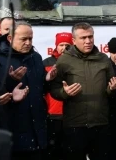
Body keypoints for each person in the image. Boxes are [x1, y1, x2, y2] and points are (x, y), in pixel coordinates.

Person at [50, 22, 116, 160]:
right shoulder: (64, 60)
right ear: (73, 40)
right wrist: (64, 93)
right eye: (83, 38)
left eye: (90, 37)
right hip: (74, 125)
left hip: (101, 123)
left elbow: (109, 89)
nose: (88, 41)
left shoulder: (103, 59)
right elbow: (54, 89)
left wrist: (112, 88)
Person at [0, 21, 56, 160]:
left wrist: (47, 79)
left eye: (30, 39)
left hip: (37, 132)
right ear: (10, 38)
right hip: (12, 133)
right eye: (23, 39)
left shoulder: (35, 57)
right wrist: (11, 82)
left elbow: (40, 89)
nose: (28, 43)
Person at [43, 32, 73, 160]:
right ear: (56, 46)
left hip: (72, 113)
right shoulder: (46, 62)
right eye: (61, 44)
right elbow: (43, 86)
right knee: (53, 149)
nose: (64, 48)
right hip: (53, 112)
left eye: (67, 45)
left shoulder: (76, 62)